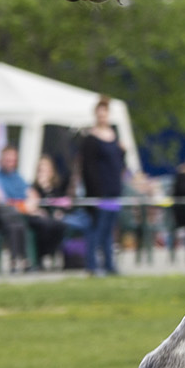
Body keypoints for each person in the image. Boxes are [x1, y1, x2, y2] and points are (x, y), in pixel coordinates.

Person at [75, 97, 127, 277]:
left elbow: (120, 163)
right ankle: (92, 265)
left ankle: (109, 265)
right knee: (97, 228)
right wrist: (94, 192)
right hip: (100, 191)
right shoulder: (90, 139)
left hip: (114, 189)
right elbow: (87, 168)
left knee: (109, 229)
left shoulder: (114, 136)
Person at [28, 154, 70, 268]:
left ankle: (52, 253)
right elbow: (33, 204)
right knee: (43, 226)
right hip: (39, 218)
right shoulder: (34, 187)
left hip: (54, 219)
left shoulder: (57, 186)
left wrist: (59, 211)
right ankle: (41, 256)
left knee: (60, 226)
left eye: (45, 169)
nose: (43, 172)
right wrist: (42, 188)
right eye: (41, 169)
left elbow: (63, 203)